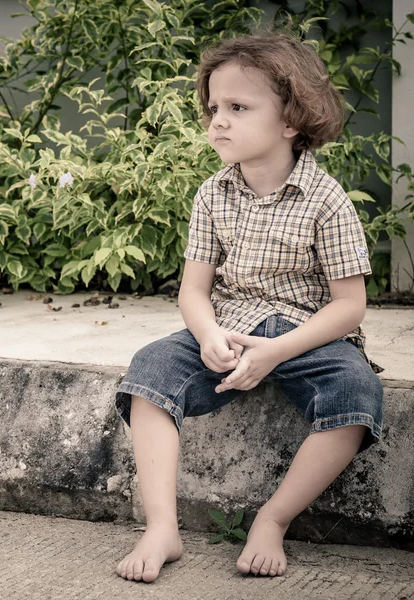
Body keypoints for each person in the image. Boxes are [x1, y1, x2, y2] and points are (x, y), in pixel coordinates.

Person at [114, 30, 384, 583]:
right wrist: (208, 333)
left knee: (357, 394)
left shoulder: (326, 200)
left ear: (291, 120)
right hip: (229, 327)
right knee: (149, 370)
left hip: (306, 335)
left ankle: (273, 518)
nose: (218, 121)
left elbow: (349, 307)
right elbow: (192, 290)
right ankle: (162, 525)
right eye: (214, 107)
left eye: (238, 107)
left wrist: (278, 350)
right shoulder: (213, 194)